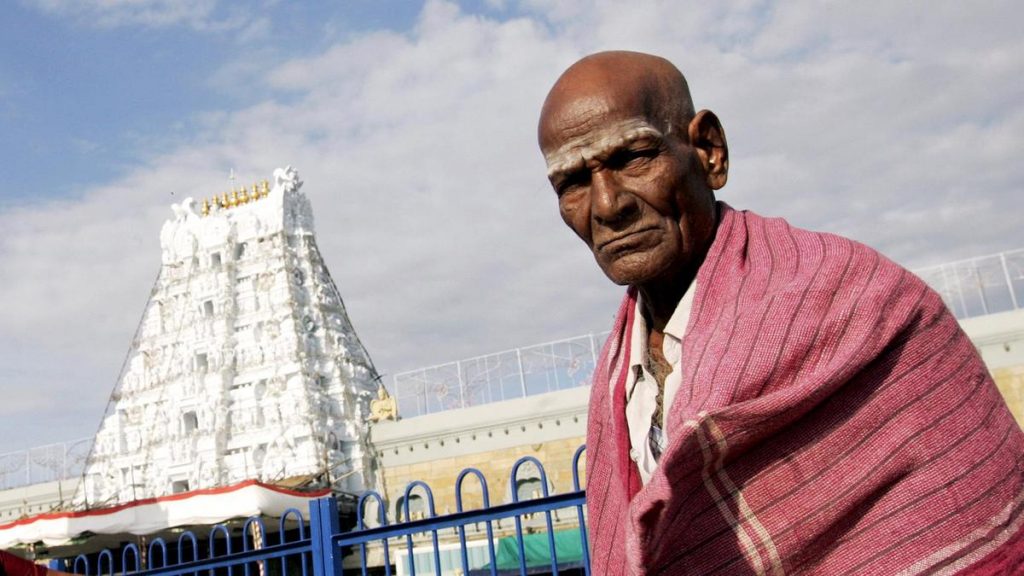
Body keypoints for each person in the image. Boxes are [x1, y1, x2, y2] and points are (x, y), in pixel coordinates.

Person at [538, 50, 1024, 575]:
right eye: (573, 183)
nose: (607, 205)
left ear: (709, 152)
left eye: (633, 157)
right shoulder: (615, 380)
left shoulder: (861, 302)